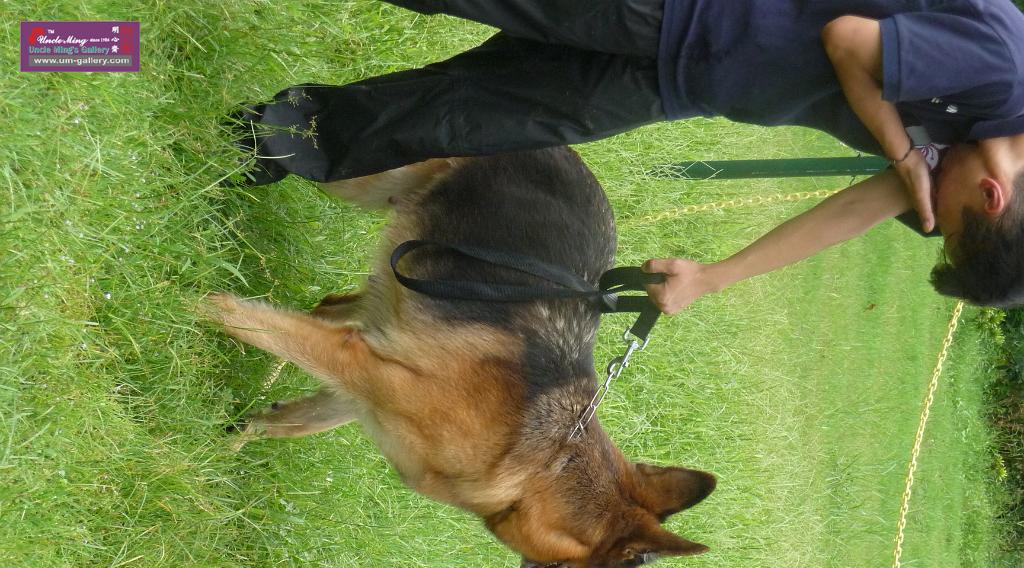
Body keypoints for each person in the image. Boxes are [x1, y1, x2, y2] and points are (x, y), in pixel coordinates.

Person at [231, 0, 1024, 310]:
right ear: (992, 195)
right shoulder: (1003, 69)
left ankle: (271, 138)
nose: (925, 210)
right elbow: (848, 40)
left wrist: (713, 276)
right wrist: (902, 147)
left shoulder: (968, 164)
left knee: (472, 115)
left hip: (678, 81)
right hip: (678, 12)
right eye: (946, 219)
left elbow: (855, 210)